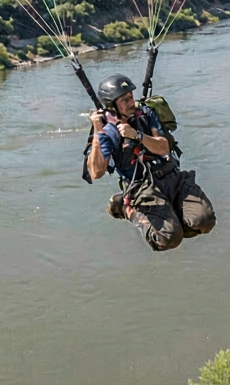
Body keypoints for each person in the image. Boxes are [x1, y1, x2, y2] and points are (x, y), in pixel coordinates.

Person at [85, 73, 216, 251]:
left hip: (172, 176)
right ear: (112, 105)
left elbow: (163, 148)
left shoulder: (146, 114)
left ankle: (172, 215)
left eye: (131, 97)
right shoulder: (109, 132)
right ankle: (126, 209)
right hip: (143, 187)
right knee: (168, 239)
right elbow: (96, 172)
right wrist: (97, 130)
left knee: (204, 222)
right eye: (124, 100)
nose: (131, 102)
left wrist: (137, 135)